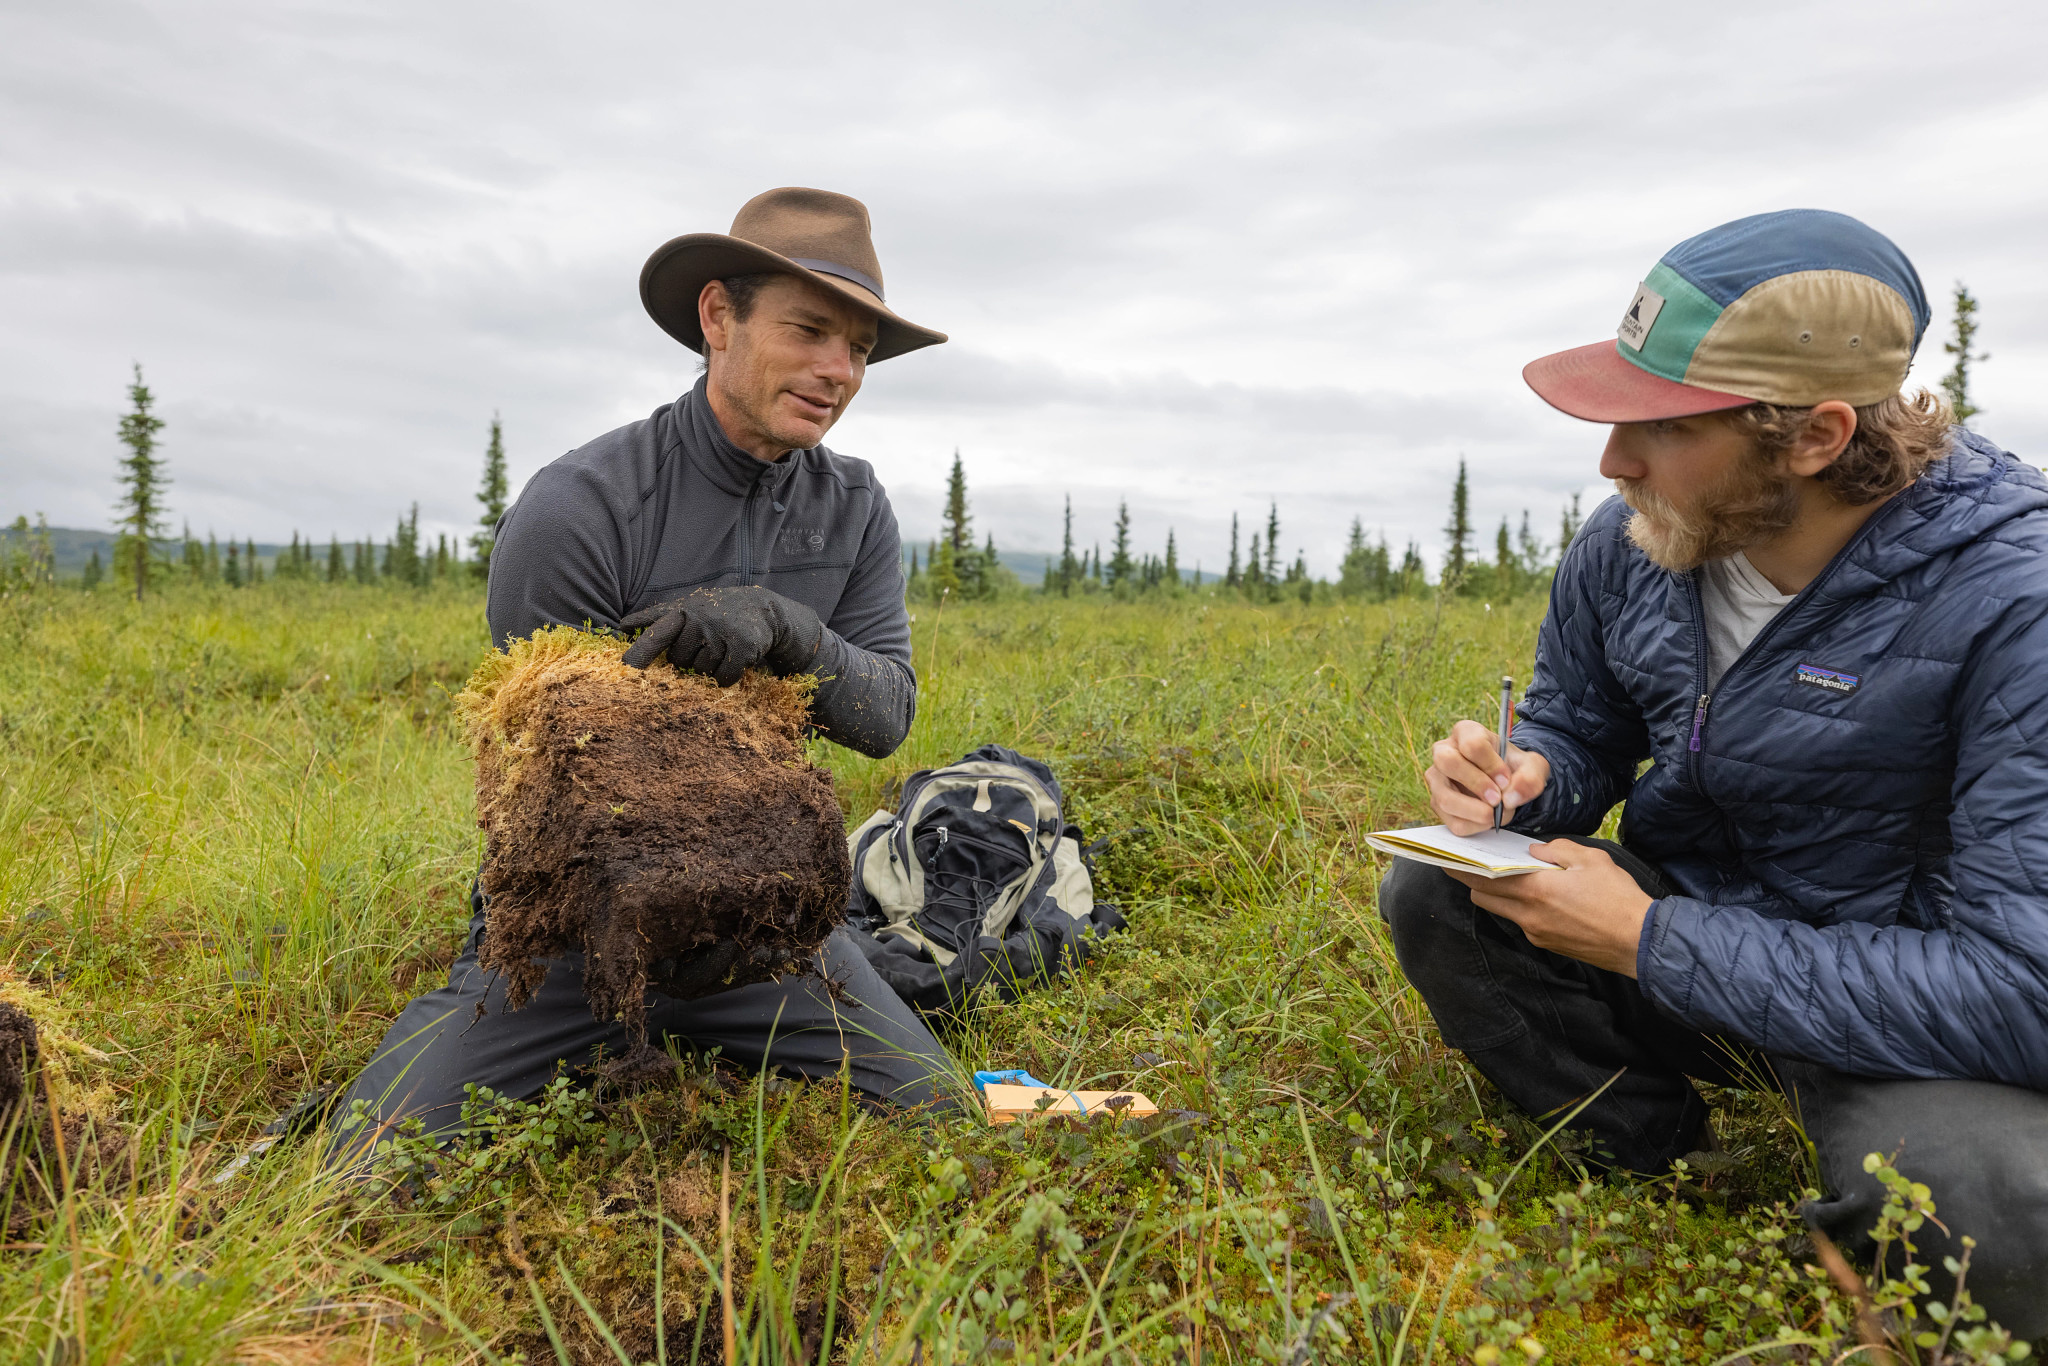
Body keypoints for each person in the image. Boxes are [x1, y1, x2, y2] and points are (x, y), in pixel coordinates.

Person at [1380, 208, 2048, 1332]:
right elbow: (1579, 720)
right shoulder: (1634, 540)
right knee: (1440, 887)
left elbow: (2022, 992)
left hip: (1906, 1017)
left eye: (1658, 427)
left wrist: (1646, 938)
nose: (1611, 461)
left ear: (1814, 435)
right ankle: (1657, 1175)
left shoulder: (2013, 598)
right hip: (1694, 937)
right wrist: (1532, 774)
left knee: (1997, 1215)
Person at [330, 188, 958, 1160]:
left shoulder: (854, 509)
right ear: (718, 317)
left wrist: (788, 632)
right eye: (808, 331)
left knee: (942, 1124)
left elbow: (886, 717)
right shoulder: (583, 508)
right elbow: (542, 796)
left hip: (766, 939)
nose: (837, 371)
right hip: (577, 942)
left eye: (860, 351)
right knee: (367, 1158)